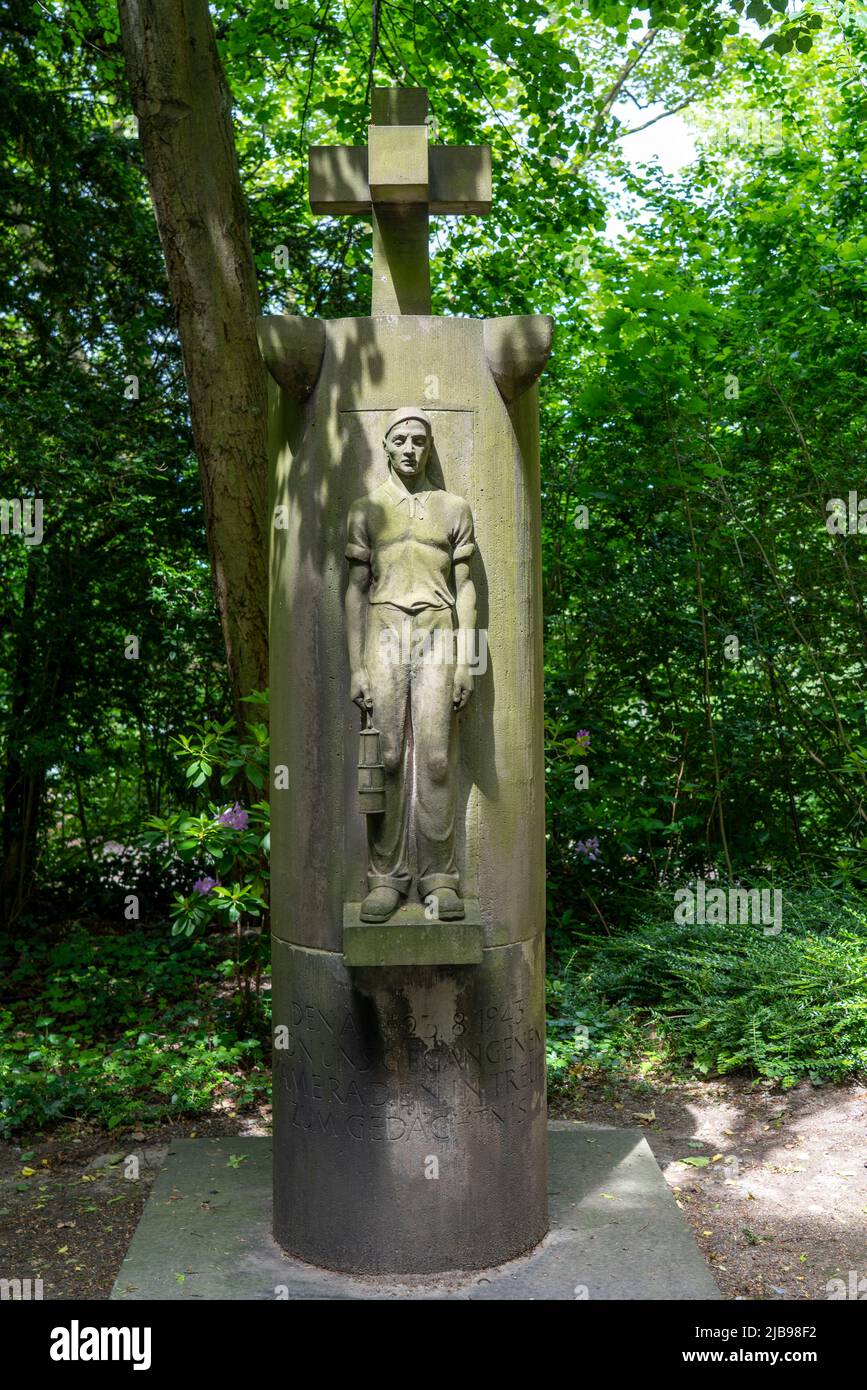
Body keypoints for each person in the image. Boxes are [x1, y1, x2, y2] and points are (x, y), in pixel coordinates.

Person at [344, 406, 477, 923]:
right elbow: (354, 592)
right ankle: (386, 879)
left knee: (438, 758)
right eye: (399, 439)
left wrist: (468, 663)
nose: (409, 448)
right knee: (390, 755)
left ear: (429, 447)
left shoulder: (453, 508)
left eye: (419, 440)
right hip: (384, 628)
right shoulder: (366, 509)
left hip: (438, 628)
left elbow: (465, 590)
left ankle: (440, 879)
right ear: (386, 446)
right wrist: (356, 666)